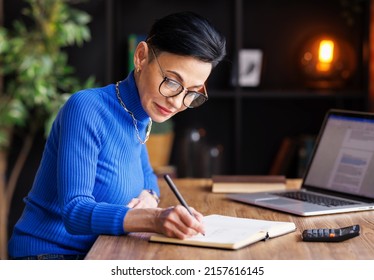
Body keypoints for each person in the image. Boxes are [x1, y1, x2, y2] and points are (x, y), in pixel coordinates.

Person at [8, 11, 226, 259]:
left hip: (102, 251)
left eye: (192, 92)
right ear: (141, 56)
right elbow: (75, 212)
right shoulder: (87, 109)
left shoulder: (140, 115)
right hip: (49, 257)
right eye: (172, 82)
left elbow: (149, 178)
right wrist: (152, 218)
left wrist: (150, 198)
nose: (177, 102)